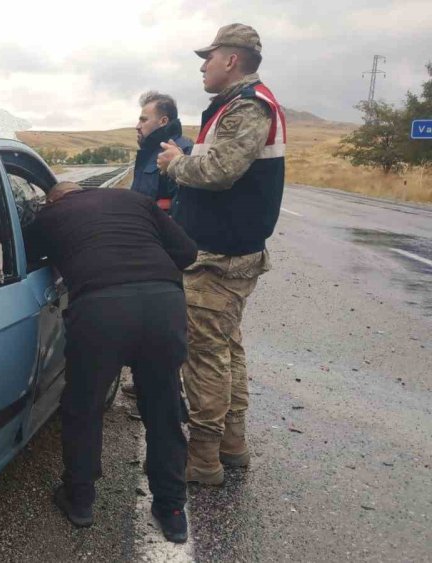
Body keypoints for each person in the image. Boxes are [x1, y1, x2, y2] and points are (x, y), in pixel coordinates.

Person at [29, 182, 197, 543]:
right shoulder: (135, 200)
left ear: (54, 200)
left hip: (101, 309)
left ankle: (80, 500)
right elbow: (187, 253)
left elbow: (25, 260)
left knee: (83, 406)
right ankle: (171, 510)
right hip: (163, 305)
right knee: (164, 407)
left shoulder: (51, 215)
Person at [156, 23, 286, 485]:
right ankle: (232, 444)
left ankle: (204, 459)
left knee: (206, 353)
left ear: (231, 59)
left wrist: (176, 163)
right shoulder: (238, 106)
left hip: (219, 259)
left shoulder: (247, 106)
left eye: (208, 58)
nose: (202, 66)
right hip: (224, 252)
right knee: (227, 347)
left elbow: (222, 170)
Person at [131, 91, 193, 211]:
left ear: (163, 121)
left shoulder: (183, 150)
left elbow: (186, 203)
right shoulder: (149, 151)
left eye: (143, 120)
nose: (137, 126)